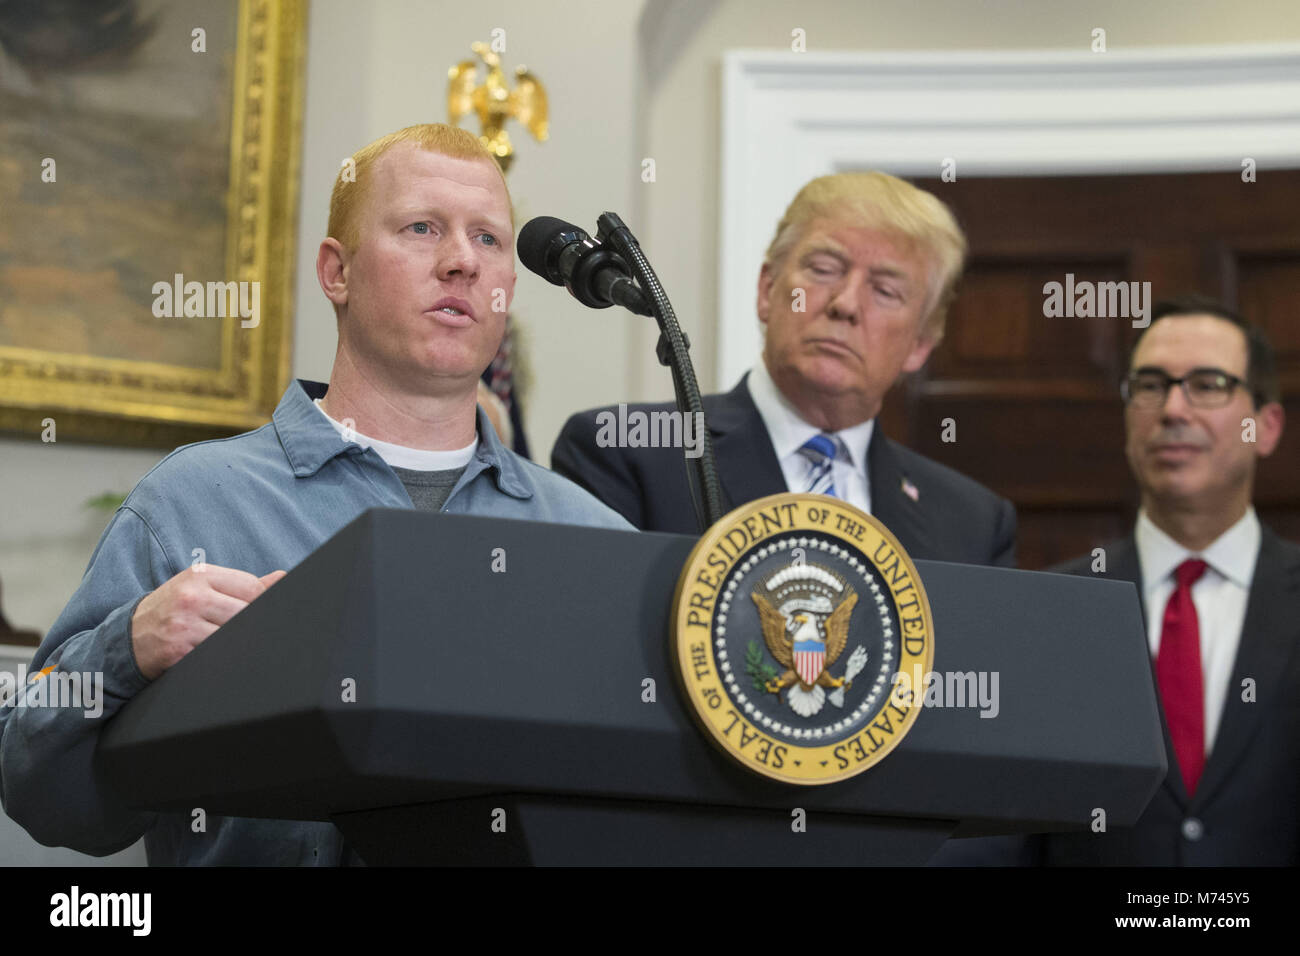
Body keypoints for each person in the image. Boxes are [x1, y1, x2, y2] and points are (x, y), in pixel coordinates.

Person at [0, 123, 632, 865]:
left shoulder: (595, 539)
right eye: (422, 228)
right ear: (337, 272)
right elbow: (44, 797)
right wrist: (127, 650)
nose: (462, 261)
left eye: (489, 239)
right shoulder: (191, 505)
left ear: (508, 290)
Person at [551, 172, 1015, 567]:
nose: (846, 304)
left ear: (920, 345)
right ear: (767, 289)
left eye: (886, 291)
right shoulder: (625, 451)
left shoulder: (973, 523)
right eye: (824, 268)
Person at [1042, 296, 1297, 865]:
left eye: (1208, 384)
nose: (1173, 409)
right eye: (1151, 385)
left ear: (1267, 425)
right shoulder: (1055, 609)